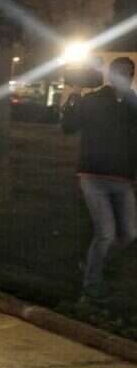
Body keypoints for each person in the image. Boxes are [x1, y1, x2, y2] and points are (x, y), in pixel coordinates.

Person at [61, 57, 137, 302]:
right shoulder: (93, 100)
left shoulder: (133, 103)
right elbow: (69, 127)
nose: (124, 77)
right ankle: (91, 286)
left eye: (128, 73)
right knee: (106, 233)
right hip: (92, 174)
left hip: (122, 177)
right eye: (120, 72)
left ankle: (92, 261)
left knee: (129, 233)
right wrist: (74, 95)